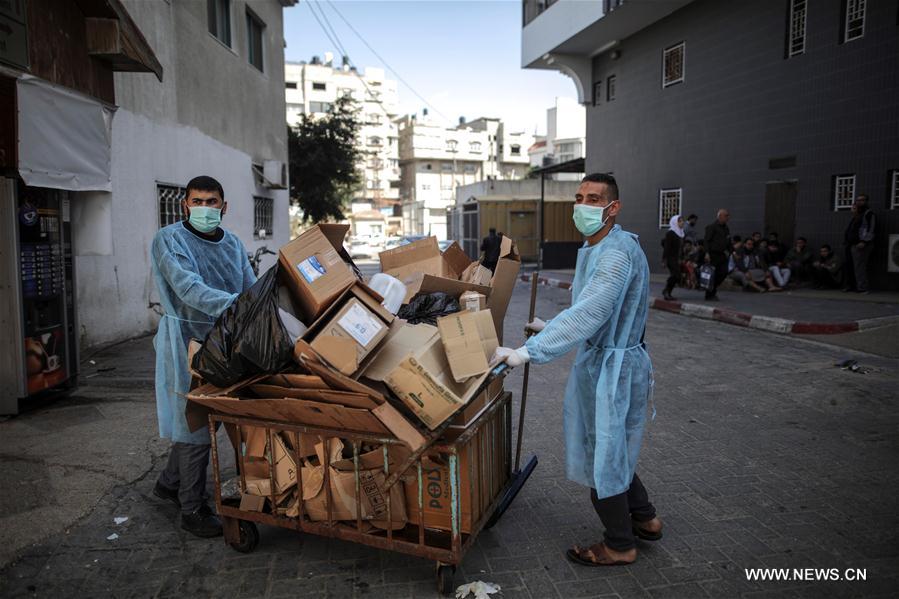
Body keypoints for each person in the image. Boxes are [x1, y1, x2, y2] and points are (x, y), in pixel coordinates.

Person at [491, 173, 659, 567]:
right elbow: (594, 311)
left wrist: (527, 351)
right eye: (579, 197)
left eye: (594, 199)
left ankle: (619, 544)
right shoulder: (597, 248)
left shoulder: (617, 253)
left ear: (612, 208)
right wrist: (552, 328)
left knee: (604, 454)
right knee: (613, 447)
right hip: (605, 360)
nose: (583, 205)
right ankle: (646, 519)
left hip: (614, 369)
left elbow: (593, 311)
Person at [150, 175, 255, 538]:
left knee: (210, 414)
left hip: (225, 342)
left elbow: (251, 287)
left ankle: (168, 483)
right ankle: (191, 508)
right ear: (185, 205)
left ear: (224, 208)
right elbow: (188, 287)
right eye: (198, 201)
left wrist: (262, 310)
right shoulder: (170, 239)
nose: (205, 209)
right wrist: (239, 307)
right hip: (186, 341)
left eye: (212, 203)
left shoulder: (234, 244)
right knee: (196, 421)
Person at [703, 209, 731, 300]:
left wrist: (731, 251)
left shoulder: (726, 228)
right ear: (720, 216)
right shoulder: (712, 227)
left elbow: (728, 241)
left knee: (723, 272)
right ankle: (709, 294)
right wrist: (707, 253)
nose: (727, 218)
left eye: (728, 216)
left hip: (722, 255)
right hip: (713, 254)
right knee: (712, 275)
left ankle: (713, 290)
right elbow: (706, 241)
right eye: (726, 216)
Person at [851, 195, 876, 293]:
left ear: (866, 201)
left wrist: (864, 241)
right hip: (855, 245)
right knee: (858, 267)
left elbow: (871, 229)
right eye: (858, 200)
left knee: (860, 267)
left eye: (862, 200)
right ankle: (859, 286)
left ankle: (863, 288)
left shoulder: (869, 214)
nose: (859, 202)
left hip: (863, 245)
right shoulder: (857, 214)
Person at [662, 214, 684, 300]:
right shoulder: (670, 233)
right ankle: (666, 291)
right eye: (680, 221)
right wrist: (664, 260)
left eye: (682, 221)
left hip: (677, 258)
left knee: (677, 275)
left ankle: (667, 292)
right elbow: (667, 247)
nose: (682, 223)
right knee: (676, 275)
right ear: (675, 222)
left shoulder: (680, 233)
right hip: (670, 258)